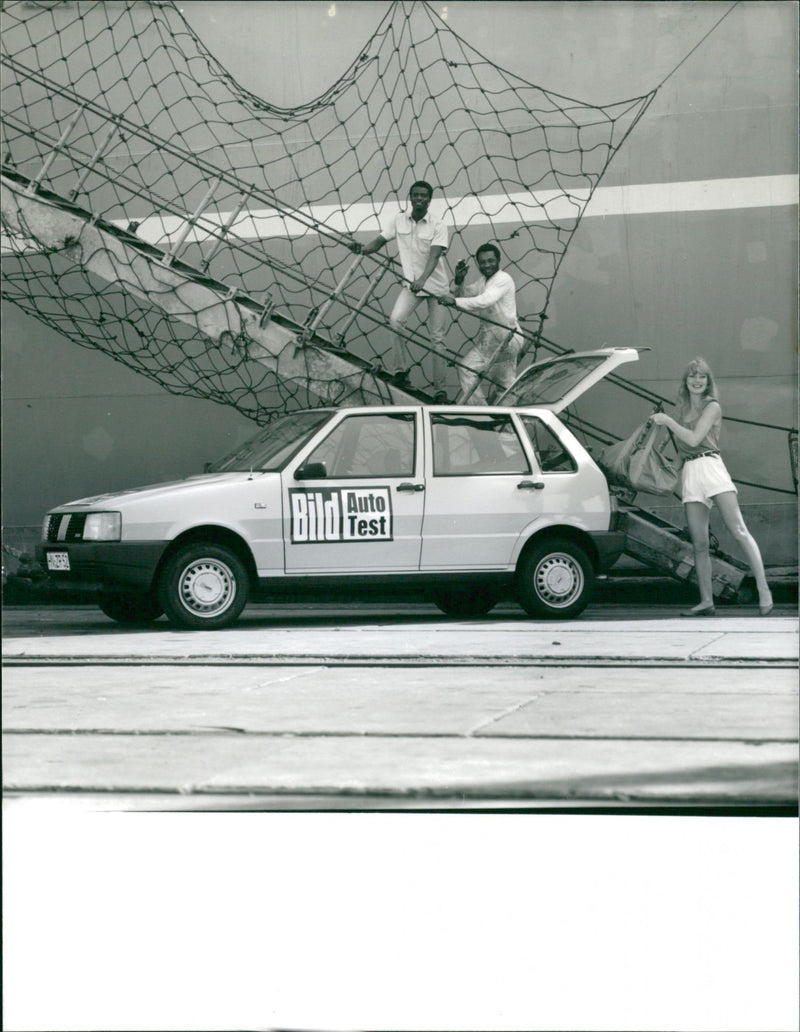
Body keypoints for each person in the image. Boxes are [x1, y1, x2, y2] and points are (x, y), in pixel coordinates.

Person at [651, 356, 773, 617]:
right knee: (699, 543)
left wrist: (668, 422)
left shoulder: (712, 406)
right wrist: (667, 473)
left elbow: (695, 440)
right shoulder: (680, 411)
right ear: (685, 381)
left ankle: (764, 589)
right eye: (692, 375)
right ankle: (706, 601)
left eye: (701, 376)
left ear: (708, 381)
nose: (696, 380)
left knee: (739, 530)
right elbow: (683, 453)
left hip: (711, 467)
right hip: (692, 473)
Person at [350, 180, 450, 399]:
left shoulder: (438, 225)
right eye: (415, 195)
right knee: (396, 320)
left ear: (429, 200)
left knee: (437, 339)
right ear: (410, 197)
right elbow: (379, 241)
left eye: (424, 195)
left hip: (436, 287)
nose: (419, 199)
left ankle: (440, 390)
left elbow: (434, 256)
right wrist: (362, 249)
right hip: (412, 285)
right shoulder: (398, 220)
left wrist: (423, 279)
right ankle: (400, 371)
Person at [438, 243, 523, 404]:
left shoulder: (503, 279)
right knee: (465, 368)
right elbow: (465, 294)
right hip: (490, 340)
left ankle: (504, 420)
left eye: (491, 261)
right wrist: (459, 280)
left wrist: (454, 301)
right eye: (482, 262)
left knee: (504, 385)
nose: (486, 265)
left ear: (498, 260)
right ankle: (482, 413)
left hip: (507, 339)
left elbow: (484, 301)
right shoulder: (483, 281)